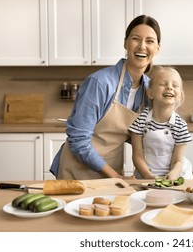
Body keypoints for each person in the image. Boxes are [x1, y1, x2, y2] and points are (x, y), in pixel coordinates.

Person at [50, 15, 161, 179]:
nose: (142, 46)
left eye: (150, 41)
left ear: (158, 48)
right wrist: (115, 177)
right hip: (77, 172)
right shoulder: (100, 83)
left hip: (111, 171)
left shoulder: (149, 91)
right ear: (126, 43)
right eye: (135, 39)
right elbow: (78, 141)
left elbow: (139, 137)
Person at [128, 66, 193, 180]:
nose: (169, 87)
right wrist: (148, 176)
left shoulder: (180, 126)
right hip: (145, 175)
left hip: (175, 175)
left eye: (175, 85)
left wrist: (173, 175)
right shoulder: (140, 121)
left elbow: (178, 161)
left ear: (180, 96)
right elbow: (137, 156)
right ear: (151, 93)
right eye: (163, 84)